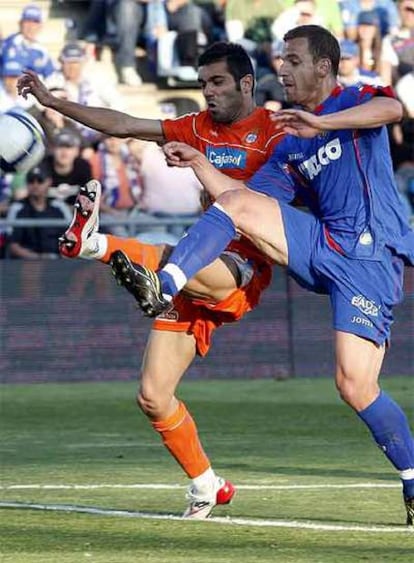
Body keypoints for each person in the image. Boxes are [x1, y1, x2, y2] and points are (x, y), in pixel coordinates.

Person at [107, 25, 414, 526]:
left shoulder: (353, 100)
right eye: (280, 61)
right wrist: (199, 162)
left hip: (369, 257)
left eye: (293, 60)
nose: (283, 69)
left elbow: (394, 110)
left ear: (322, 66)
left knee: (355, 385)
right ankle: (165, 282)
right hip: (320, 244)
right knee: (235, 201)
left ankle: (412, 481)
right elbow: (240, 197)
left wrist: (324, 123)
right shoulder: (290, 142)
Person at [17, 41, 286, 519]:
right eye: (203, 83)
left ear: (247, 83)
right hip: (191, 263)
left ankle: (97, 245)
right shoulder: (198, 127)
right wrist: (54, 102)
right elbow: (122, 124)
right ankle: (208, 485)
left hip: (242, 266)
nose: (208, 92)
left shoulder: (275, 132)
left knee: (190, 270)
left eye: (218, 82)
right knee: (153, 396)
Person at [6, 164, 72, 259]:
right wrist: (38, 258)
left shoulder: (60, 207)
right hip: (26, 264)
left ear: (49, 182)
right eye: (31, 181)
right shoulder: (17, 208)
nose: (35, 185)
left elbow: (70, 239)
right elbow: (13, 246)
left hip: (58, 263)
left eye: (40, 181)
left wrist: (60, 259)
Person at [0, 5, 56, 81]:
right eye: (27, 22)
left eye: (35, 22)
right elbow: (11, 80)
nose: (31, 27)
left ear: (40, 26)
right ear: (20, 24)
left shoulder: (41, 50)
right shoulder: (11, 44)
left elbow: (51, 75)